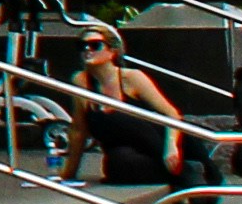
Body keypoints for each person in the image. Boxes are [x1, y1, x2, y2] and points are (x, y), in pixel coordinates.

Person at [70, 22, 206, 192]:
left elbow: (172, 113)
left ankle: (187, 174)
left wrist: (170, 146)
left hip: (158, 142)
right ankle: (186, 171)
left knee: (120, 118)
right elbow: (79, 130)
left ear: (112, 51)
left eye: (95, 45)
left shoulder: (131, 77)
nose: (87, 50)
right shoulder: (81, 82)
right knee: (118, 163)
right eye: (82, 45)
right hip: (125, 153)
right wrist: (69, 173)